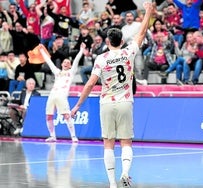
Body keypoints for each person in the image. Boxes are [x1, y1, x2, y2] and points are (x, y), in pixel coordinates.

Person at [71, 2, 153, 188]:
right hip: (125, 102)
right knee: (126, 143)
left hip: (106, 103)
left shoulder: (101, 58)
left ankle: (111, 183)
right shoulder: (129, 52)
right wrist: (148, 11)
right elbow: (141, 34)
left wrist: (77, 106)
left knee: (108, 144)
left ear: (108, 42)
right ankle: (125, 172)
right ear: (122, 41)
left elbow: (91, 83)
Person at [38, 42, 86, 143]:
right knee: (48, 115)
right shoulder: (57, 72)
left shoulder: (71, 73)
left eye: (68, 63)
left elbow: (76, 60)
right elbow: (49, 61)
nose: (66, 63)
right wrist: (42, 50)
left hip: (62, 96)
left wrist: (81, 50)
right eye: (64, 62)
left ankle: (73, 136)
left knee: (67, 116)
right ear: (62, 64)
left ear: (70, 66)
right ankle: (52, 136)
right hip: (52, 95)